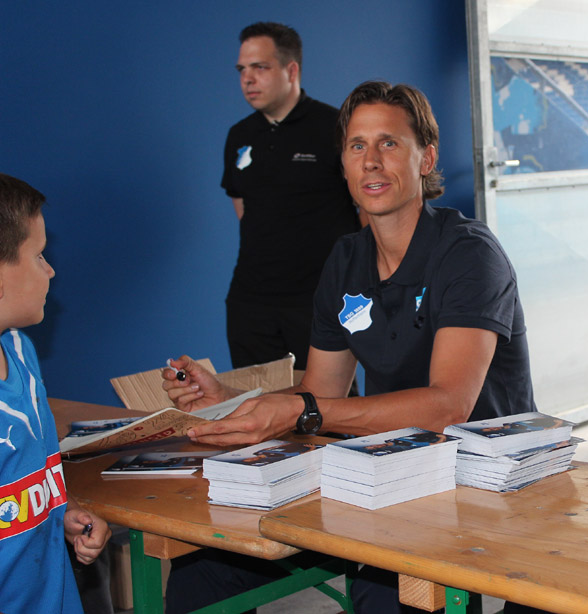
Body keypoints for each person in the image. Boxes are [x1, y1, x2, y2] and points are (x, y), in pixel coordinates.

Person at [162, 81, 536, 614]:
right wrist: (228, 396)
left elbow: (447, 406)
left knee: (385, 598)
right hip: (388, 470)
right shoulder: (345, 259)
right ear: (342, 165)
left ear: (426, 158)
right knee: (201, 571)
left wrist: (305, 408)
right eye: (357, 146)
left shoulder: (469, 254)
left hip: (483, 479)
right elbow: (320, 393)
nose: (371, 162)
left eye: (389, 143)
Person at [0, 173, 111, 613]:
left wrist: (60, 511)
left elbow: (25, 481)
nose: (50, 270)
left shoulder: (20, 349)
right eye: (38, 255)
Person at [222, 22, 359, 370]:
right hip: (250, 300)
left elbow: (367, 212)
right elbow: (243, 207)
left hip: (319, 299)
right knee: (256, 406)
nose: (247, 79)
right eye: (242, 69)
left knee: (328, 409)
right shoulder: (239, 134)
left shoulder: (335, 127)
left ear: (291, 69)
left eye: (260, 67)